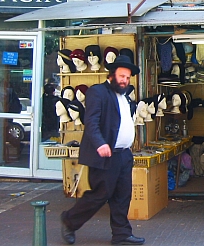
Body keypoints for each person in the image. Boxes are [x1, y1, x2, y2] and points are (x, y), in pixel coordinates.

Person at [60, 54, 145, 245]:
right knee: (100, 195)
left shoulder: (124, 97)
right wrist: (100, 143)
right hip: (105, 155)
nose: (125, 80)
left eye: (128, 77)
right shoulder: (98, 92)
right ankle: (69, 220)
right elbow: (91, 122)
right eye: (122, 76)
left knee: (123, 196)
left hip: (123, 155)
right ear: (112, 74)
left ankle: (122, 234)